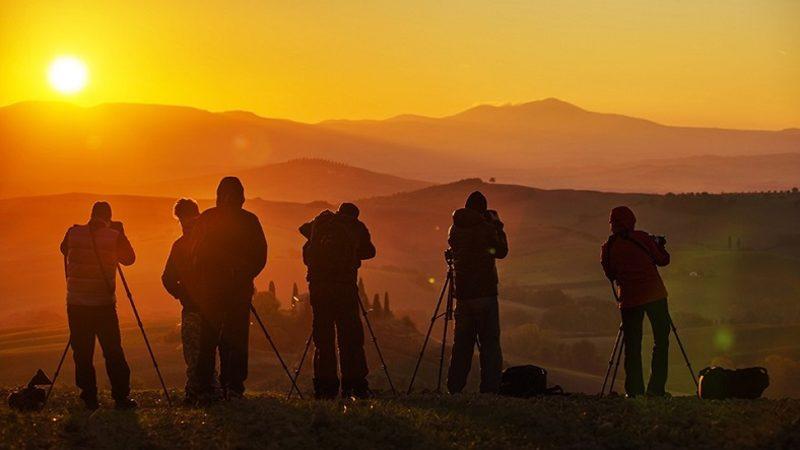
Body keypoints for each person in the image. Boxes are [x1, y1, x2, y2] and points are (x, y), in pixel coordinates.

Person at [189, 177, 267, 399]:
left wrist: (202, 280)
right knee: (237, 338)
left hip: (211, 290)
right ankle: (233, 386)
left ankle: (205, 387)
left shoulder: (207, 218)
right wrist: (245, 274)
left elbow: (194, 254)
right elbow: (260, 257)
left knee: (208, 338)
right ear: (242, 196)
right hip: (239, 290)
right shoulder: (250, 220)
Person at [59, 201, 137, 410]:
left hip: (76, 304)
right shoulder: (113, 236)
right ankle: (121, 397)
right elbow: (129, 259)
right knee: (112, 351)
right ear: (109, 218)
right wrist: (121, 232)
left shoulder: (73, 233)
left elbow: (62, 249)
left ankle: (89, 397)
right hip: (103, 304)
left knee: (82, 352)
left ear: (91, 215)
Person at [299, 203, 376, 399]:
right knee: (350, 337)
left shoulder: (320, 223)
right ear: (355, 216)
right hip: (344, 287)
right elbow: (370, 251)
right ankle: (354, 384)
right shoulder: (355, 226)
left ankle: (325, 387)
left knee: (323, 339)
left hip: (319, 288)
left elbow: (304, 239)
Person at [601, 206, 671, 398]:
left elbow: (610, 274)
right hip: (655, 296)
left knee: (632, 346)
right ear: (631, 221)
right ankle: (656, 389)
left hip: (629, 300)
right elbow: (663, 260)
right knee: (661, 341)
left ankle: (634, 391)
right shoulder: (642, 238)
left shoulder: (607, 248)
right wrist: (660, 246)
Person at [446, 191, 508, 394]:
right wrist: (497, 225)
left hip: (463, 295)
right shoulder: (485, 229)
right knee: (490, 344)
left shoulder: (454, 229)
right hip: (485, 294)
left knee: (461, 345)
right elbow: (501, 251)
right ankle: (490, 389)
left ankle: (454, 387)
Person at [162, 198, 215, 404]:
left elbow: (167, 278)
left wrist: (182, 294)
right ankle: (208, 391)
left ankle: (196, 393)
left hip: (194, 309)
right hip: (210, 307)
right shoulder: (209, 242)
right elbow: (166, 278)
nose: (186, 226)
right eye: (185, 222)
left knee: (194, 354)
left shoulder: (180, 245)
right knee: (204, 353)